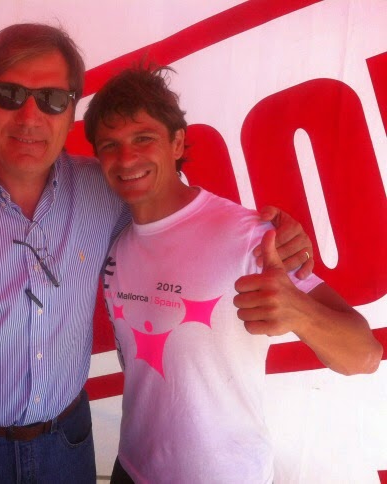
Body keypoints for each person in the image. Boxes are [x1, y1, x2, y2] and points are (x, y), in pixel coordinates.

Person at [0, 24, 314, 483]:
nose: (29, 117)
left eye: (51, 99)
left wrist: (274, 230)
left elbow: (175, 212)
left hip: (66, 449)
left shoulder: (104, 189)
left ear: (71, 113)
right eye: (9, 95)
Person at [81, 66, 383, 483]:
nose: (127, 158)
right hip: (131, 468)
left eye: (143, 138)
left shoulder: (250, 236)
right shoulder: (115, 239)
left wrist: (300, 312)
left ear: (177, 142)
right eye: (110, 145)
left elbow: (365, 356)